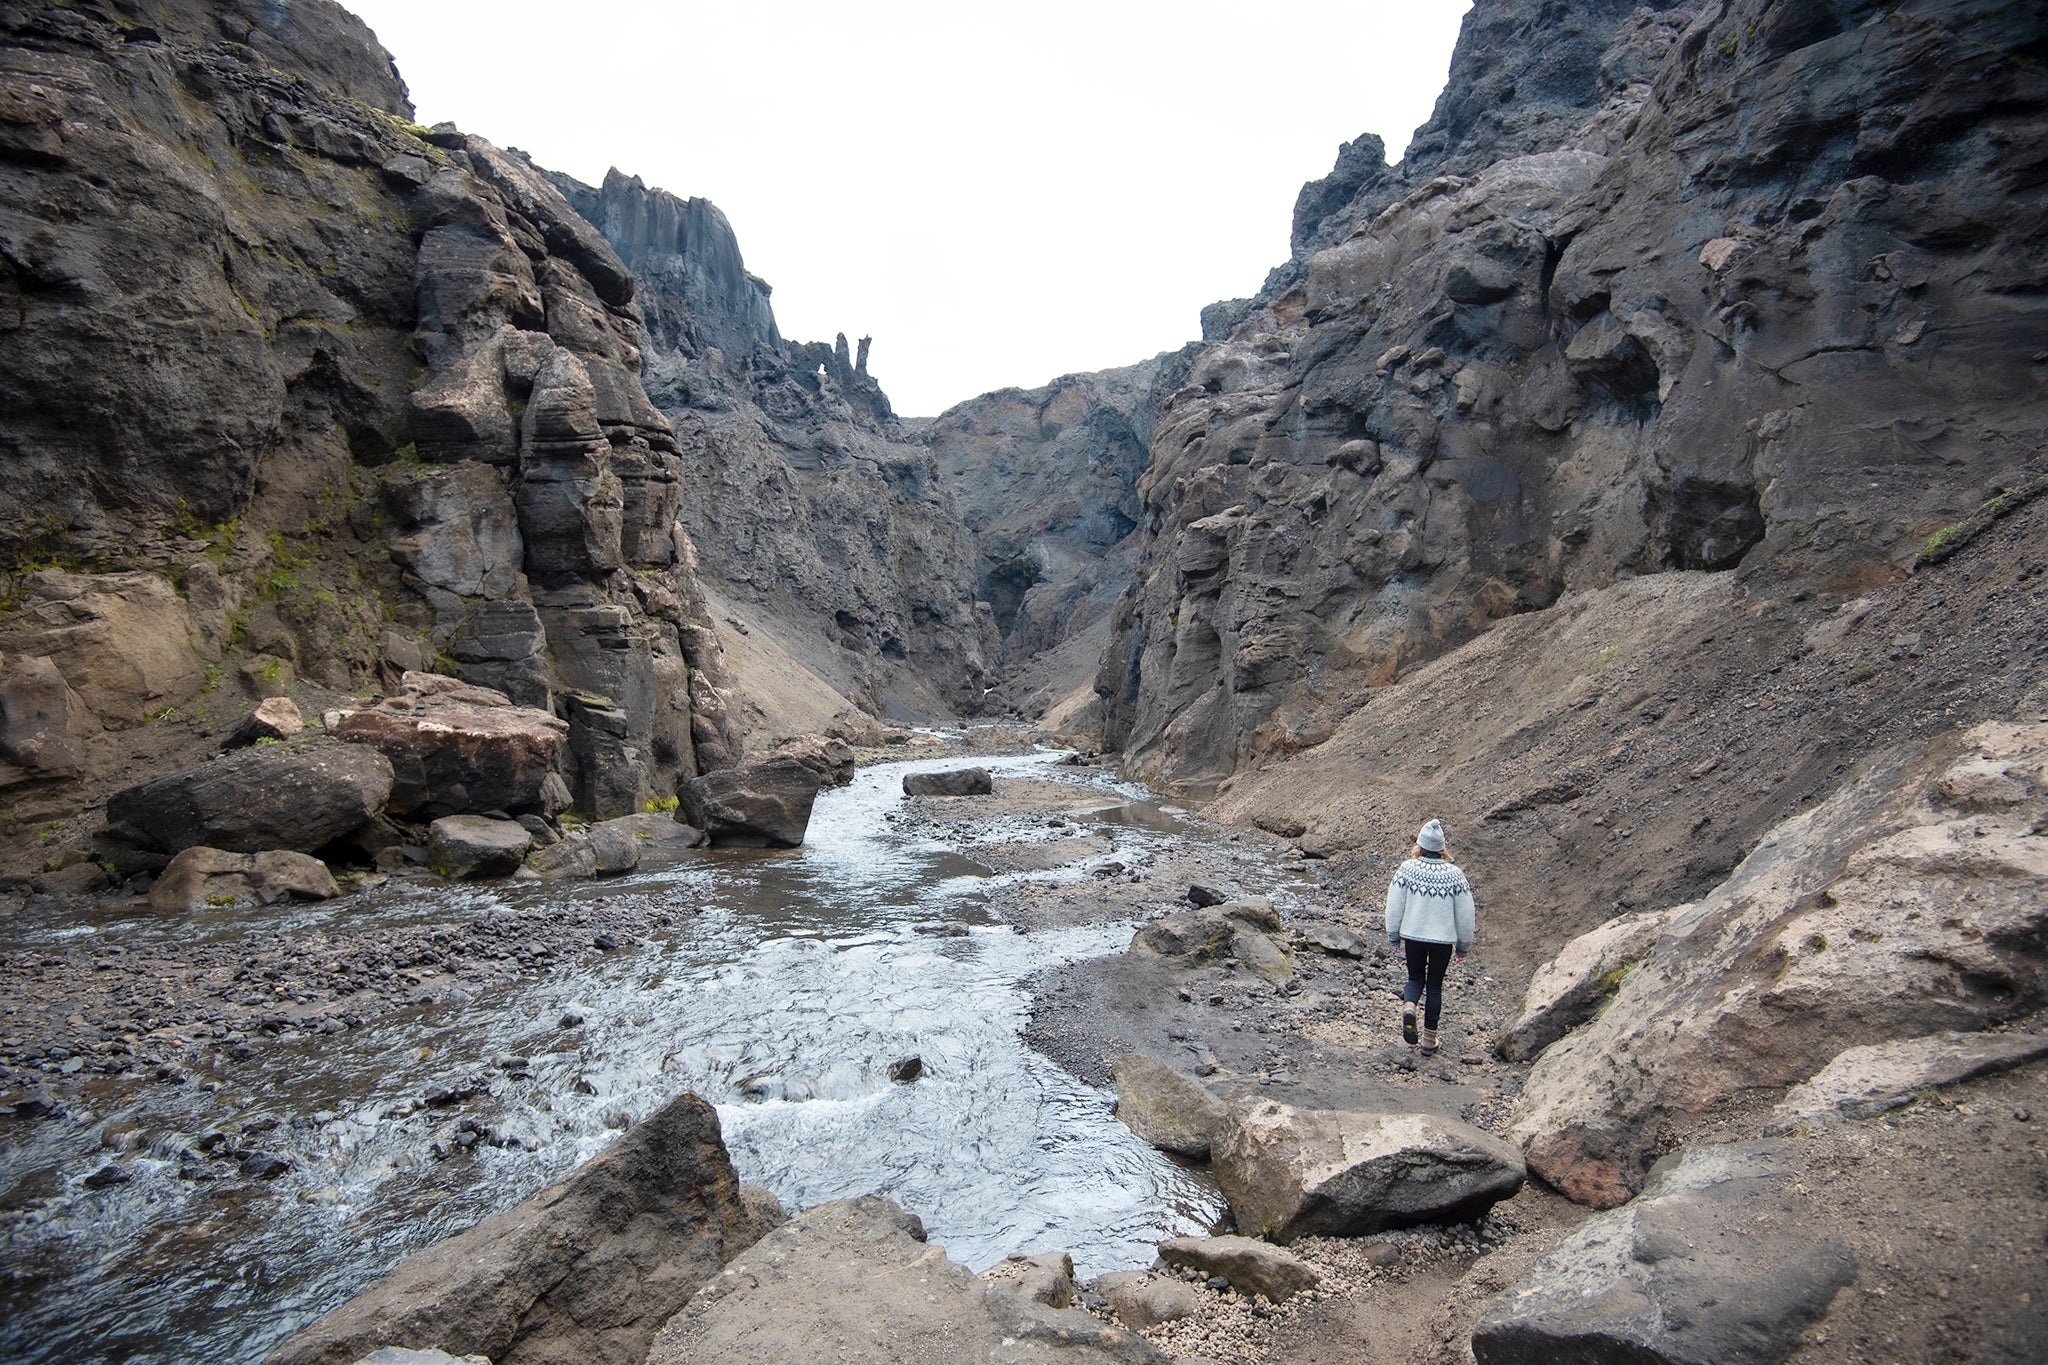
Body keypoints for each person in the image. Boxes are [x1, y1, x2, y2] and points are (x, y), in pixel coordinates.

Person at [1384, 819, 1475, 1055]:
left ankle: (1409, 1007)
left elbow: (1394, 905)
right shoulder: (1455, 875)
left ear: (1420, 845)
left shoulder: (1407, 869)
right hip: (1442, 941)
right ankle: (1428, 1040)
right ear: (1442, 847)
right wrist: (1463, 946)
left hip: (1413, 936)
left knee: (1415, 979)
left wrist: (1393, 936)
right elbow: (1466, 914)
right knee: (1435, 985)